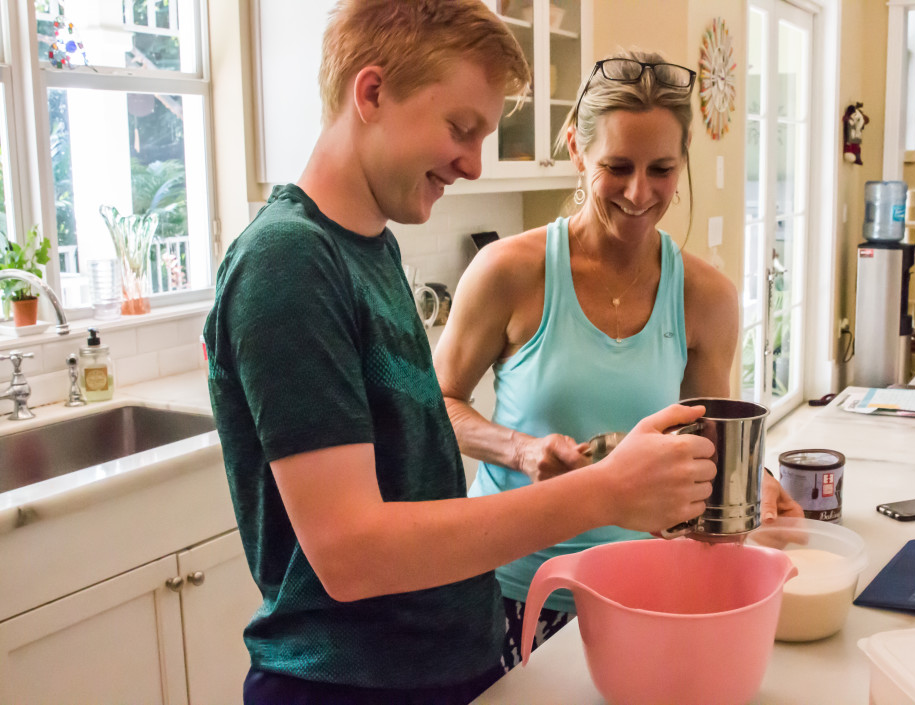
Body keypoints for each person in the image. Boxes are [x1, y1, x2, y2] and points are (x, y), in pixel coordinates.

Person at [204, 5, 720, 704]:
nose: (474, 163)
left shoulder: (369, 246)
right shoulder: (288, 261)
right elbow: (351, 554)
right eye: (461, 128)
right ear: (372, 93)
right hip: (345, 684)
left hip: (440, 664)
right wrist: (601, 491)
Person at [432, 48, 804, 667]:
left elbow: (710, 443)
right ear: (577, 149)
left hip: (644, 589)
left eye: (661, 168)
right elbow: (436, 404)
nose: (639, 193)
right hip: (509, 590)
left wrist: (757, 483)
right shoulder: (508, 273)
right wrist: (519, 449)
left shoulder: (707, 298)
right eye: (618, 166)